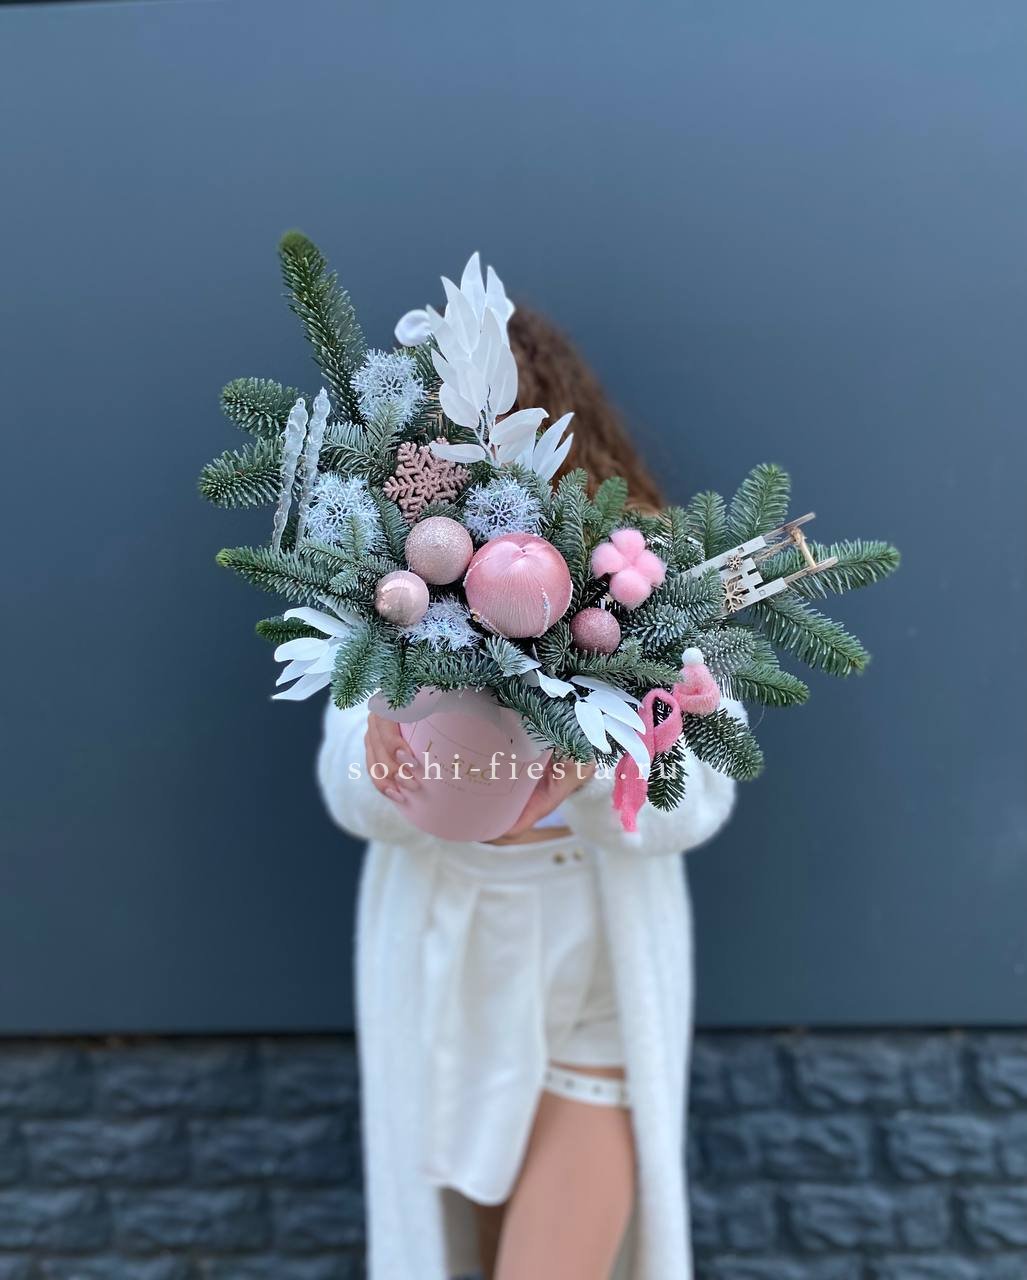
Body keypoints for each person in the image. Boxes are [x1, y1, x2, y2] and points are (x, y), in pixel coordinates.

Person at [317, 306, 743, 1280]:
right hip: (451, 972)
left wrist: (591, 768)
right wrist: (385, 753)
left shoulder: (642, 569)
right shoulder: (394, 573)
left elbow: (700, 797)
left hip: (591, 967)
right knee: (456, 1254)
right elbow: (349, 792)